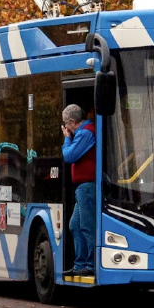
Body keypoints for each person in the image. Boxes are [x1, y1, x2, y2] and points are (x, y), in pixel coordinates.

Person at [61, 104, 96, 277]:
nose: (66, 128)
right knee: (75, 225)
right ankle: (80, 264)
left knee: (87, 226)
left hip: (87, 187)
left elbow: (69, 155)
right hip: (82, 188)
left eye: (66, 125)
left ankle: (90, 264)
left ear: (73, 122)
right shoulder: (84, 132)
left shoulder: (85, 133)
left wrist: (67, 138)